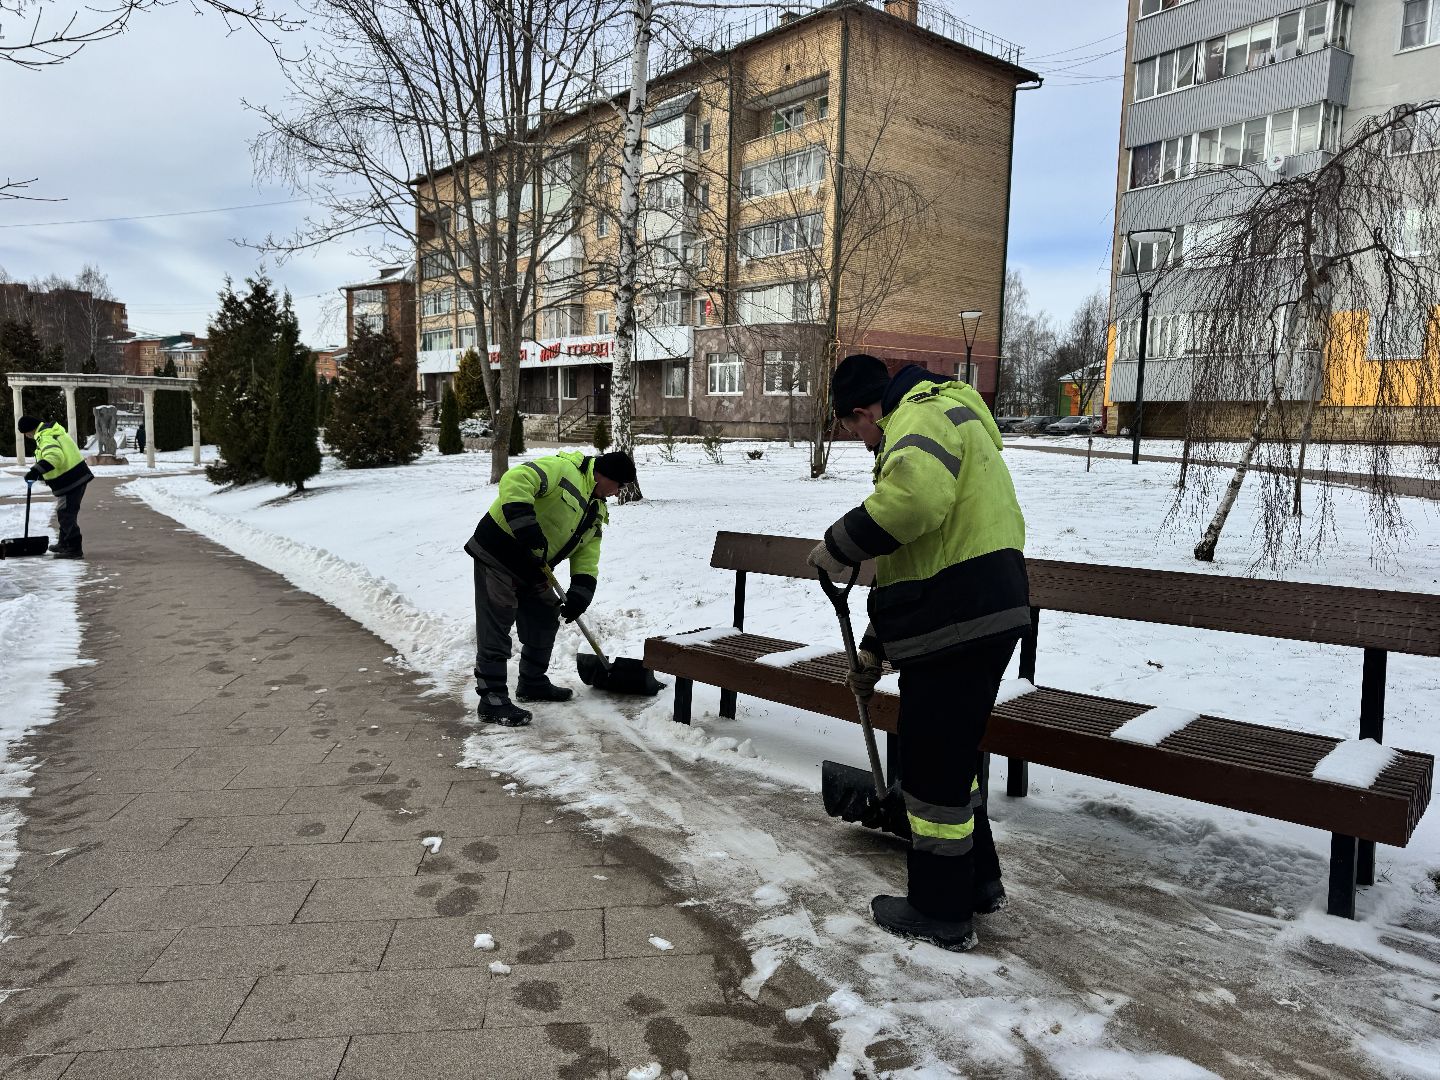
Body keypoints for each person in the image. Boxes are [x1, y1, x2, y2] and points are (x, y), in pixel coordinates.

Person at [807, 355, 1029, 952]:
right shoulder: (948, 412)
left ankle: (939, 909)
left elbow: (913, 504)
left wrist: (839, 544)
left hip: (961, 616)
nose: (860, 442)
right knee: (949, 758)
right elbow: (916, 562)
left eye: (852, 429)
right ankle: (976, 882)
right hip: (976, 609)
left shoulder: (918, 415)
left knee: (930, 769)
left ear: (863, 411)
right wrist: (874, 649)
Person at [463, 449, 636, 726]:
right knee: (497, 623)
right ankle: (491, 699)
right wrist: (526, 526)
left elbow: (588, 554)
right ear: (604, 475)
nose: (618, 493)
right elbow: (516, 479)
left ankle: (532, 683)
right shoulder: (564, 470)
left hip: (534, 566)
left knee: (545, 615)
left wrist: (581, 591)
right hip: (498, 553)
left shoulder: (597, 509)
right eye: (618, 485)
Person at [18, 415, 95, 560]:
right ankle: (64, 543)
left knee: (66, 514)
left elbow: (54, 457)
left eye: (26, 433)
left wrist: (35, 471)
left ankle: (74, 548)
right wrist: (41, 474)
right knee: (65, 512)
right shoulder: (50, 432)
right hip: (73, 478)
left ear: (30, 430)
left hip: (71, 480)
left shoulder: (46, 436)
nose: (27, 436)